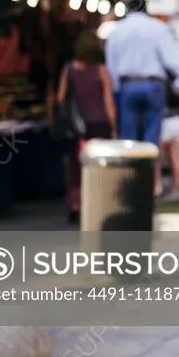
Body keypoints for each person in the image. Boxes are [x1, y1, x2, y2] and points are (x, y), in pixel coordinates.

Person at [104, 0, 179, 192]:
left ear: (127, 9)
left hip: (127, 86)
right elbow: (176, 62)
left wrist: (117, 89)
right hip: (153, 86)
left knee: (128, 139)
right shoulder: (157, 28)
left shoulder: (117, 31)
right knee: (151, 140)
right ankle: (149, 186)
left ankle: (129, 187)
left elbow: (111, 65)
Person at [56, 30, 117, 222]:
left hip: (77, 126)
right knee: (100, 166)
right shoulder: (102, 71)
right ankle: (98, 202)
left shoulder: (69, 70)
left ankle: (75, 202)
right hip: (99, 124)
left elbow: (60, 97)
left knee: (75, 164)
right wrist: (114, 128)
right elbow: (108, 102)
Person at [157, 76, 179, 196]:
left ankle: (157, 186)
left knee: (157, 157)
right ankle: (175, 186)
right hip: (176, 120)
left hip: (163, 122)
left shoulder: (158, 88)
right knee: (175, 157)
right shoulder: (175, 87)